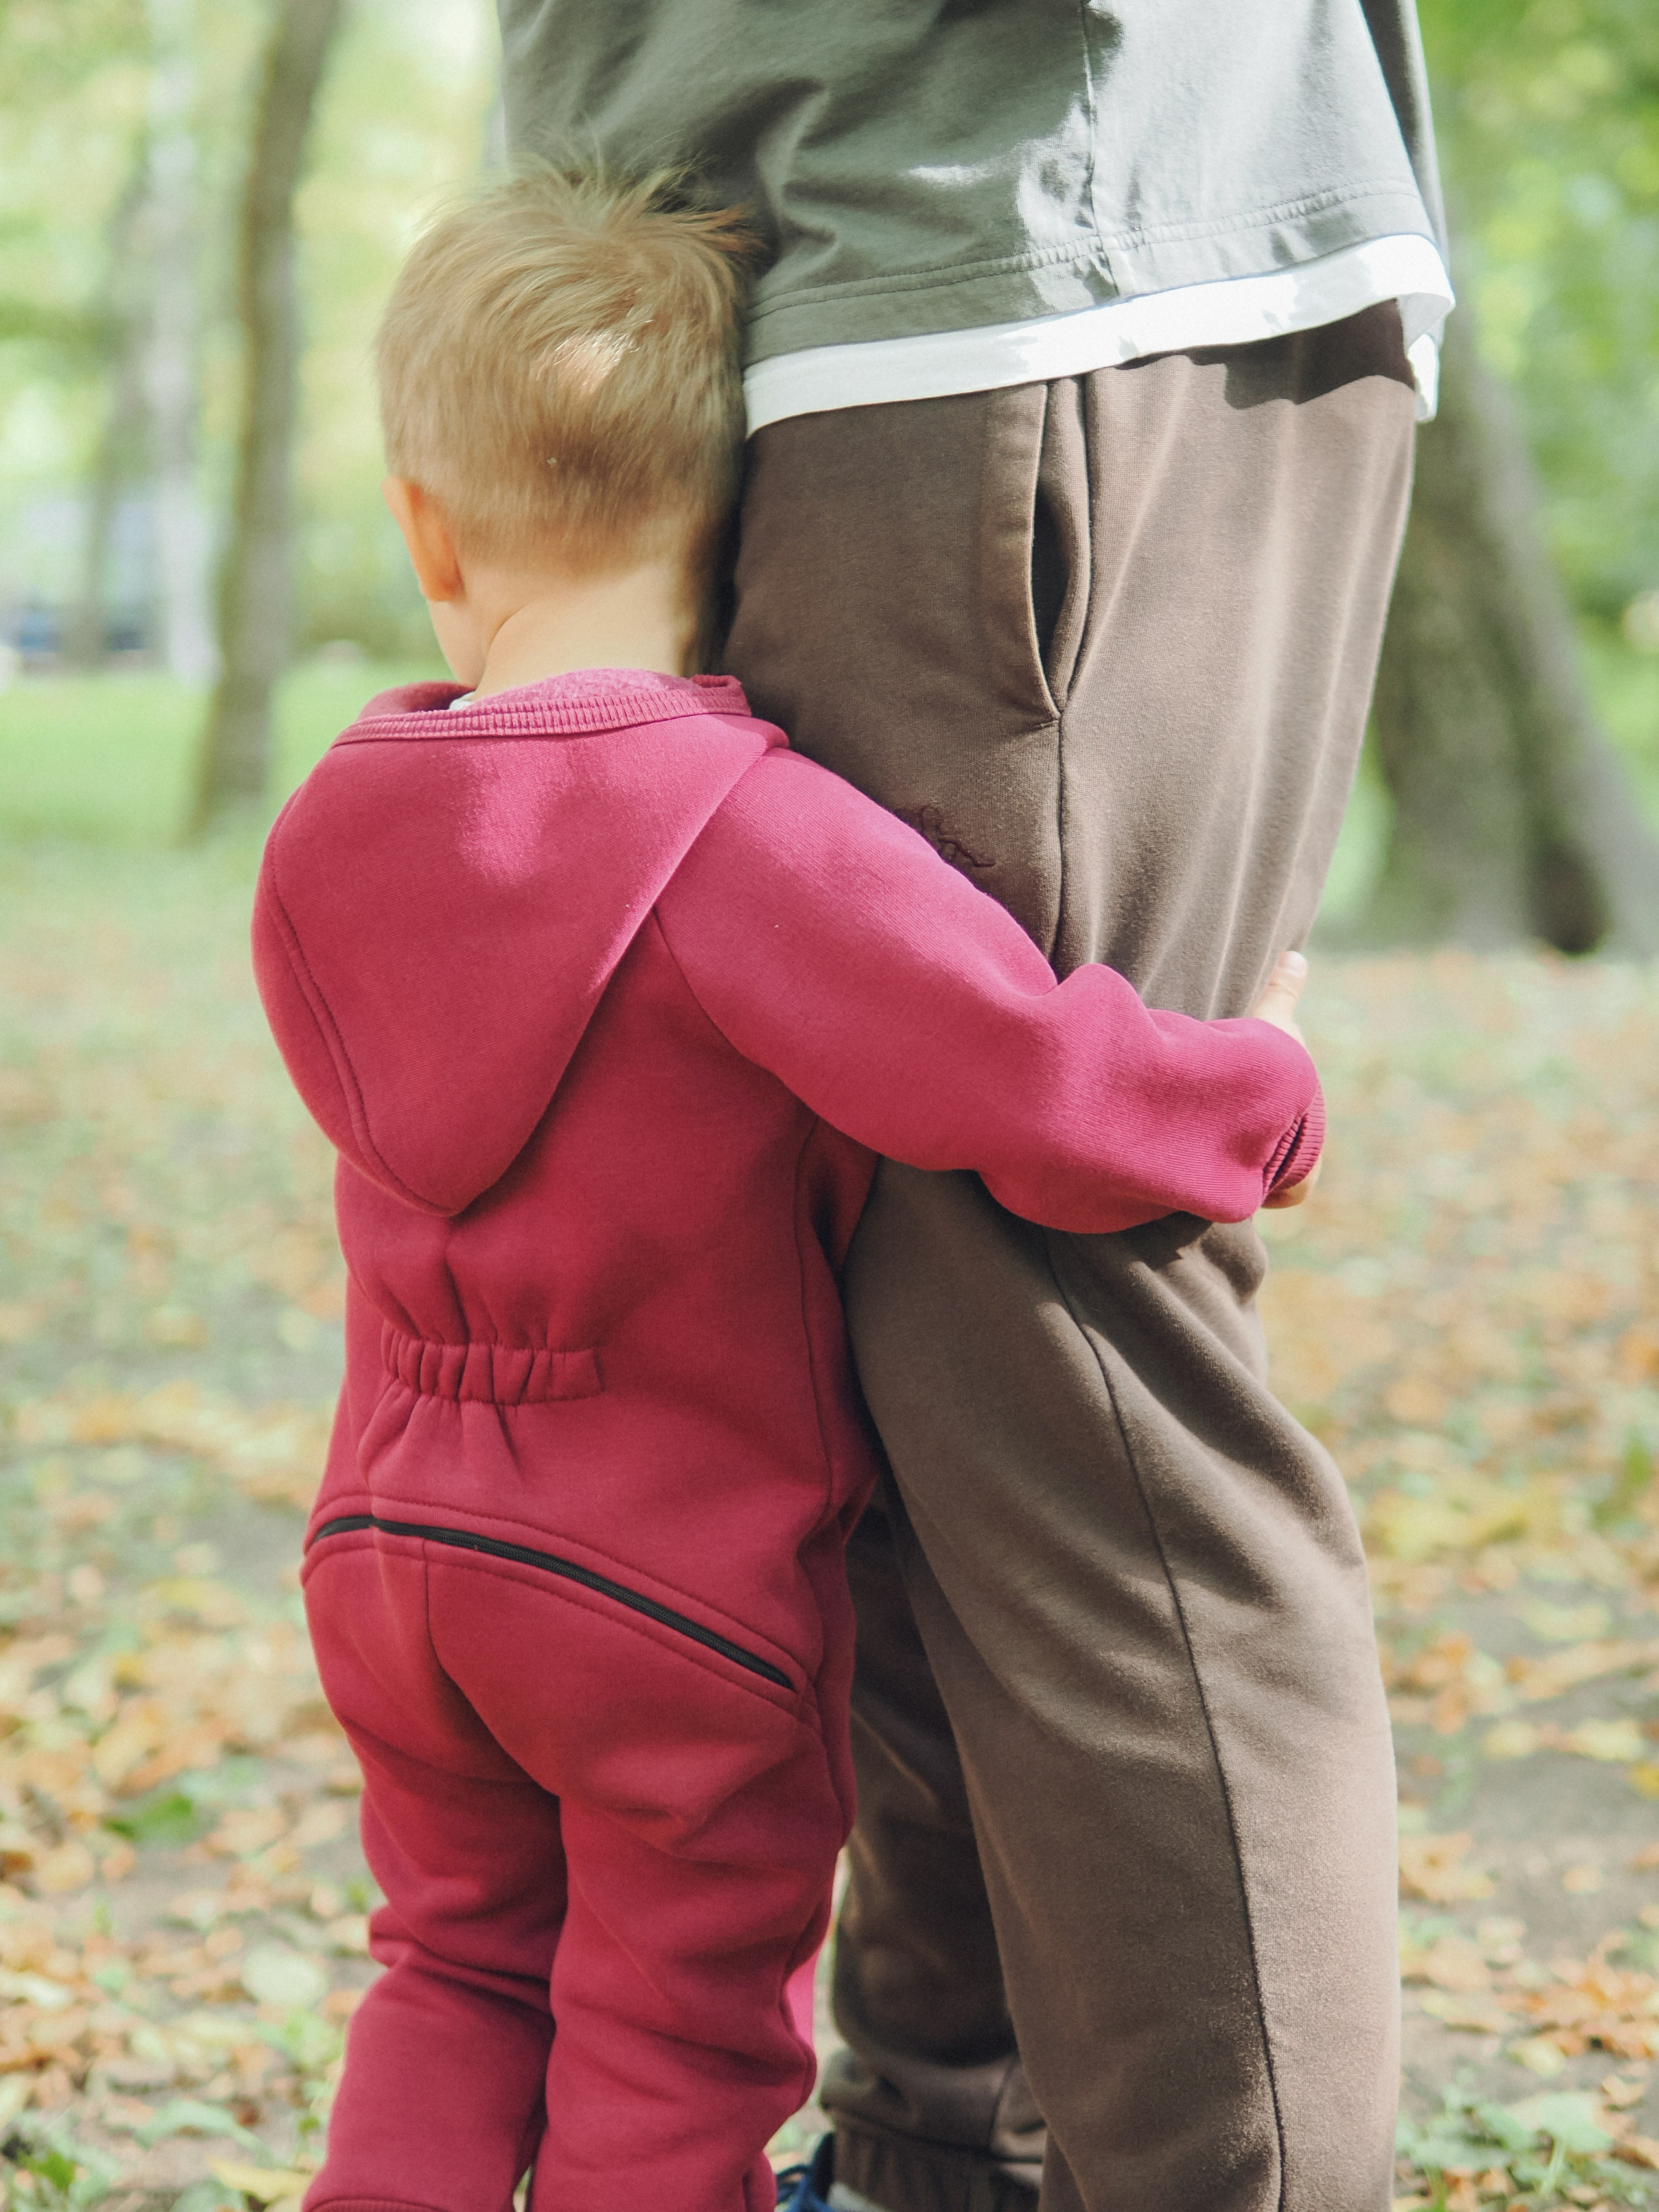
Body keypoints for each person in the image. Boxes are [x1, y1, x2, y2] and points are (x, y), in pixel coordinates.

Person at [251, 169, 1325, 2212]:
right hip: (667, 1601)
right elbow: (1025, 1079)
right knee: (662, 2037)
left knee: (451, 1973)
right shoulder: (752, 843)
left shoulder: (326, 832)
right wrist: (1257, 1089)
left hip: (392, 1562)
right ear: (739, 529)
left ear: (423, 525)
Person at [494, 8, 1453, 2212]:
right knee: (883, 1379)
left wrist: (1236, 1110)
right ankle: (945, 2160)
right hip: (805, 287)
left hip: (984, 277)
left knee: (1064, 1376)